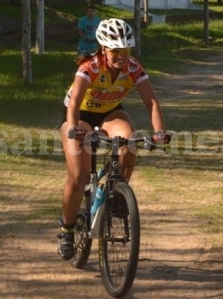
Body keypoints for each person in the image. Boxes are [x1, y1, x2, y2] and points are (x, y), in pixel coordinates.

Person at [57, 18, 171, 260]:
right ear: (104, 48)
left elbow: (151, 102)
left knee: (129, 143)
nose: (121, 56)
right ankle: (66, 229)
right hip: (80, 115)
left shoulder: (133, 67)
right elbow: (75, 102)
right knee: (78, 175)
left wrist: (159, 132)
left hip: (110, 111)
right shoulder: (91, 66)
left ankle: (117, 189)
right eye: (116, 51)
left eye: (126, 50)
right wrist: (75, 129)